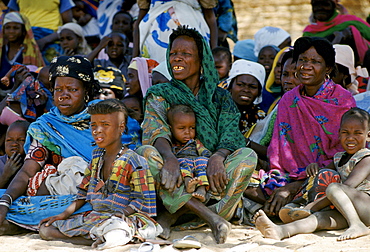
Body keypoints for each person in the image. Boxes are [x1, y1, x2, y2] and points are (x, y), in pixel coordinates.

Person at [138, 26, 257, 244]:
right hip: (176, 173)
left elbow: (231, 134)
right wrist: (170, 159)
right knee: (144, 153)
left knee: (247, 156)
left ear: (201, 60)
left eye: (186, 54)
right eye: (173, 53)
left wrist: (217, 157)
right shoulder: (160, 93)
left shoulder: (219, 97)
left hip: (210, 176)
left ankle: (175, 214)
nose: (177, 59)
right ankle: (211, 217)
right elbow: (156, 131)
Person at [245, 37, 356, 218]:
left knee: (328, 183)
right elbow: (280, 149)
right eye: (302, 60)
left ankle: (293, 204)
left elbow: (346, 152)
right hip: (290, 174)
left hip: (329, 171)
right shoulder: (289, 100)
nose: (306, 66)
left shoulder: (342, 101)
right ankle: (293, 205)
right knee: (243, 179)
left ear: (328, 68)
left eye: (315, 62)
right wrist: (287, 184)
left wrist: (295, 185)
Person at [0, 55, 101, 234]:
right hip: (62, 196)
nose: (64, 95)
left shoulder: (104, 116)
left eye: (72, 89)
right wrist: (5, 201)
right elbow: (27, 170)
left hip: (98, 191)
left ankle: (20, 223)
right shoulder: (46, 126)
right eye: (58, 89)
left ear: (86, 91)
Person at [39, 99, 160, 248]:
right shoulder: (96, 157)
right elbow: (82, 194)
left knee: (116, 230)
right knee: (46, 230)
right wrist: (62, 215)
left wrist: (120, 214)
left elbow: (142, 201)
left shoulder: (135, 161)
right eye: (93, 125)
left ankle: (106, 238)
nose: (97, 130)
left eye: (105, 125)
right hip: (98, 218)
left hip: (124, 218)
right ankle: (94, 240)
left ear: (121, 127)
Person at [254, 107, 370, 241]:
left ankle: (357, 225)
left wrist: (311, 207)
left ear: (368, 136)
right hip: (346, 211)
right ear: (338, 134)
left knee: (334, 188)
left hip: (366, 208)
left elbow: (347, 187)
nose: (351, 138)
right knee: (319, 218)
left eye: (357, 133)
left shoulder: (366, 158)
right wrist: (314, 168)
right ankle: (281, 231)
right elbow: (323, 173)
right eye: (345, 132)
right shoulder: (338, 158)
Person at [133, 0, 218, 63]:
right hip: (154, 35)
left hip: (192, 31)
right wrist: (134, 58)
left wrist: (214, 52)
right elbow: (141, 16)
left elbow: (210, 16)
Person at [303, 0, 370, 65]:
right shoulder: (308, 32)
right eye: (316, 5)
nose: (320, 8)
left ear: (334, 6)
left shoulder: (352, 22)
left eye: (325, 4)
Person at [7, 0, 75, 64]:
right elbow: (12, 19)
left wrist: (44, 41)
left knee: (50, 72)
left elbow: (67, 25)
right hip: (26, 38)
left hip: (52, 38)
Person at [168, 104, 211, 202]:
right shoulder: (170, 145)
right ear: (171, 128)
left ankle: (202, 189)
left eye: (192, 128)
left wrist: (207, 158)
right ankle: (188, 182)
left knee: (202, 161)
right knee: (181, 162)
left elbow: (203, 151)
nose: (187, 132)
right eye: (181, 128)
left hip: (196, 163)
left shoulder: (195, 142)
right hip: (184, 164)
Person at [0, 12, 44, 92]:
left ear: (24, 31)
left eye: (16, 28)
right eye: (8, 27)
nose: (11, 31)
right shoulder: (2, 50)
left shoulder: (29, 51)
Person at [0, 120, 30, 188]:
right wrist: (5, 175)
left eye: (21, 140)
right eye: (9, 140)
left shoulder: (35, 164)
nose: (14, 144)